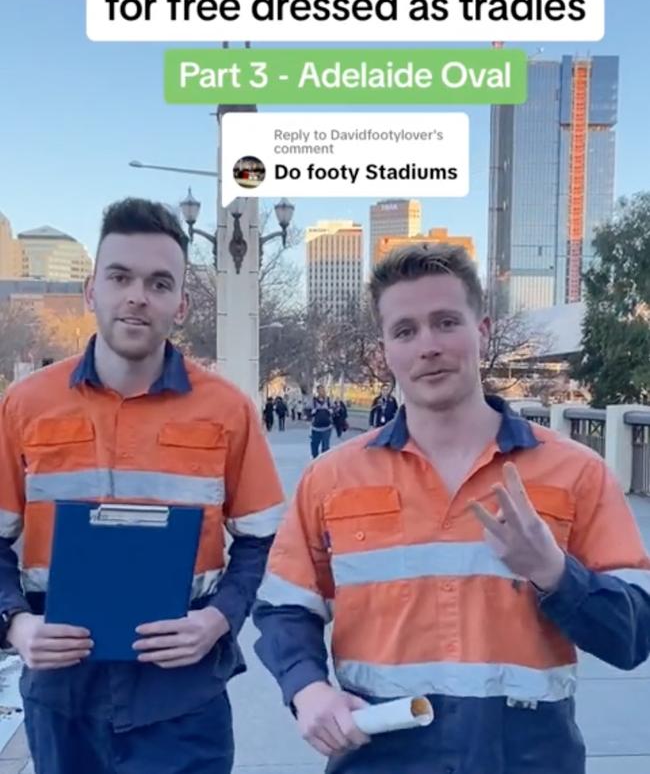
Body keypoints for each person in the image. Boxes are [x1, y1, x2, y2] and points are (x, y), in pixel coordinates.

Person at [253, 242, 650, 774]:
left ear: (482, 330)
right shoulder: (331, 478)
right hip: (379, 757)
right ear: (383, 351)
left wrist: (555, 574)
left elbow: (633, 637)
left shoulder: (576, 471)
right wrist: (307, 690)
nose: (428, 346)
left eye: (446, 322)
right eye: (405, 330)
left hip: (529, 759)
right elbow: (284, 607)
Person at [0, 198, 285, 774]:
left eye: (159, 283)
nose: (137, 295)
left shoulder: (228, 410)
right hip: (62, 699)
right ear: (91, 291)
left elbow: (265, 542)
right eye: (120, 276)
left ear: (180, 305)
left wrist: (219, 619)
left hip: (184, 700)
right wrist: (15, 623)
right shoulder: (22, 406)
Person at [309, 385, 332, 459]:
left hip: (327, 427)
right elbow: (308, 411)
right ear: (317, 391)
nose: (321, 392)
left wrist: (329, 410)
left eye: (323, 390)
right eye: (319, 390)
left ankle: (323, 462)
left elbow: (334, 409)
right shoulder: (313, 401)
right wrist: (313, 411)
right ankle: (315, 458)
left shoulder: (328, 400)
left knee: (325, 447)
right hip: (316, 427)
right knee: (314, 445)